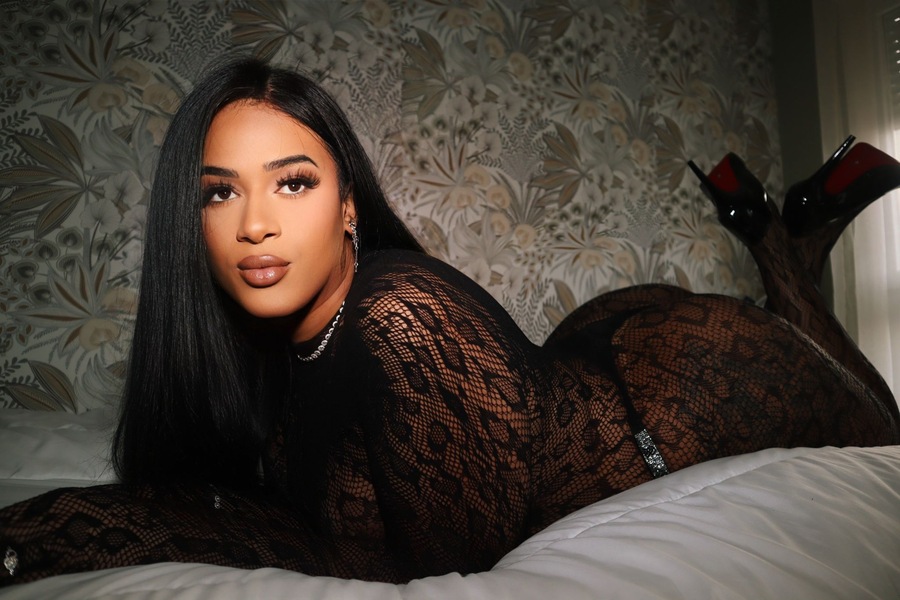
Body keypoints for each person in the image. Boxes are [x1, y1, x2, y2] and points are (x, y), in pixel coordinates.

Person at [1, 57, 898, 586]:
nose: (256, 224)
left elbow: (428, 566)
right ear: (188, 220)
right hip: (585, 353)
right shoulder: (262, 352)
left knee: (886, 426)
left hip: (685, 392)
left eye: (293, 182)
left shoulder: (402, 319)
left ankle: (781, 241)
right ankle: (784, 229)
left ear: (347, 205)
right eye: (219, 193)